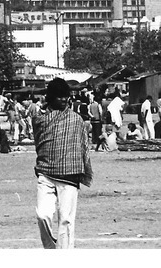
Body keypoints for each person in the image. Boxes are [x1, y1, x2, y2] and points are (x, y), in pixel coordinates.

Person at [32, 77, 93, 250]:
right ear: (50, 97)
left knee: (66, 220)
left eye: (66, 96)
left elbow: (82, 145)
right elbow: (39, 144)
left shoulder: (76, 120)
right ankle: (51, 250)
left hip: (70, 173)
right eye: (59, 96)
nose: (64, 99)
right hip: (46, 172)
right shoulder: (39, 119)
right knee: (43, 215)